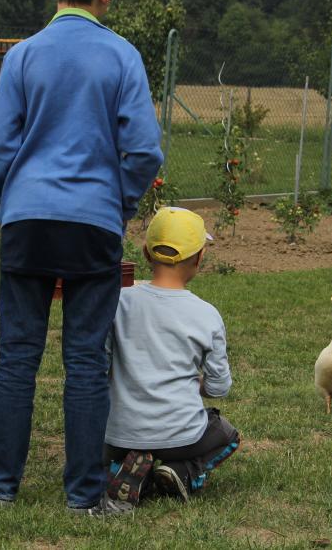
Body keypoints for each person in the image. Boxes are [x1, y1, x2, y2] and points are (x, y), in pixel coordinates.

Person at [0, 0, 163, 516]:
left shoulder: (22, 56)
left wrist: (8, 200)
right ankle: (85, 497)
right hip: (94, 222)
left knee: (17, 357)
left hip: (28, 217)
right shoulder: (122, 56)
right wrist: (117, 204)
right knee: (86, 361)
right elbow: (144, 152)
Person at [104, 207, 240, 505]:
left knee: (122, 443)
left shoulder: (118, 302)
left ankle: (122, 467)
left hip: (118, 436)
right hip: (181, 438)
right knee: (225, 432)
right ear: (200, 258)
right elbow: (219, 388)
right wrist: (198, 384)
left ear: (145, 253)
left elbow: (103, 364)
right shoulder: (207, 315)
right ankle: (182, 470)